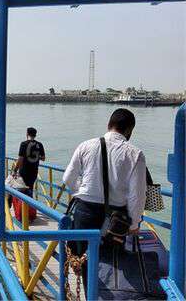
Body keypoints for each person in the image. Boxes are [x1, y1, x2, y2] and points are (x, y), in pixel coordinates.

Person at [62, 108, 146, 282]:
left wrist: (83, 190)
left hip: (84, 211)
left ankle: (87, 292)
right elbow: (136, 195)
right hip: (116, 219)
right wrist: (134, 223)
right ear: (130, 130)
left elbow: (68, 178)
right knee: (111, 265)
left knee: (83, 263)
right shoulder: (135, 154)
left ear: (108, 125)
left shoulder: (86, 145)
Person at [12, 127, 45, 198]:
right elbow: (43, 158)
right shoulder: (40, 144)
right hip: (34, 171)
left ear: (27, 134)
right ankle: (29, 206)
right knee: (30, 189)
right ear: (35, 135)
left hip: (24, 171)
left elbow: (20, 159)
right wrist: (35, 156)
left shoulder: (23, 144)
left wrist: (15, 170)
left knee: (22, 190)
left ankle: (24, 207)